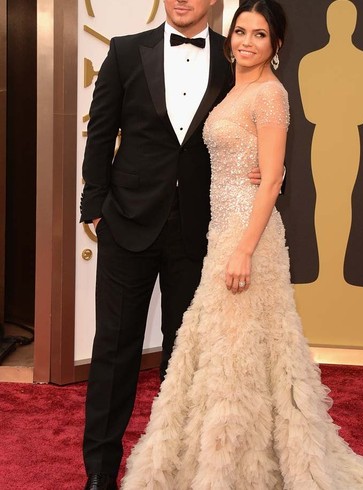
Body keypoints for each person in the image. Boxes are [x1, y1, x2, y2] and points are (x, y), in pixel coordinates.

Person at [121, 1, 363, 489]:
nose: (246, 42)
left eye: (259, 34)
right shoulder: (232, 88)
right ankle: (223, 457)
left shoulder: (271, 94)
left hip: (248, 239)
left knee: (238, 351)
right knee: (229, 349)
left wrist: (244, 250)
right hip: (221, 233)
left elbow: (271, 180)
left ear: (276, 45)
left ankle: (232, 467)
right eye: (240, 31)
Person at [79, 1, 262, 488]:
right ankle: (100, 471)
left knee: (185, 355)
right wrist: (95, 208)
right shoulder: (124, 52)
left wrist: (273, 172)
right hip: (127, 222)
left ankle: (173, 467)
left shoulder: (232, 57)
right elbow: (101, 132)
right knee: (114, 350)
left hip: (199, 229)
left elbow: (257, 125)